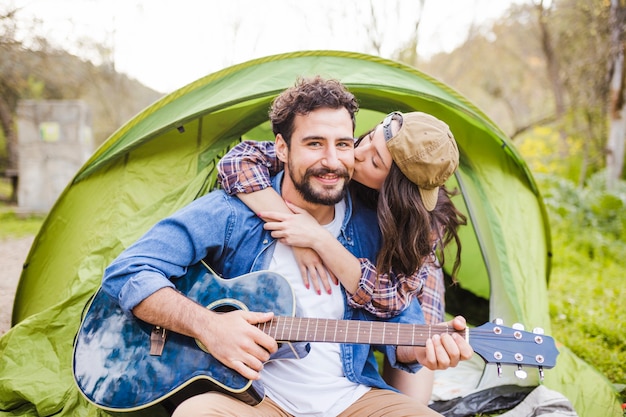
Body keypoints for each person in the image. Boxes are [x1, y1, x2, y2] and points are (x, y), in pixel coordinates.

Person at [102, 75, 472, 417]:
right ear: (281, 146)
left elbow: (401, 322)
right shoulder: (234, 212)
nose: (333, 160)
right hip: (258, 399)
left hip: (352, 399)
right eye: (314, 143)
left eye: (343, 144)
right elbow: (128, 272)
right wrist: (209, 326)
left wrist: (425, 348)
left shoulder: (378, 225)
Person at [217, 111, 467, 404]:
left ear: (395, 188)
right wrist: (294, 231)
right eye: (368, 138)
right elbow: (239, 161)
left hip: (407, 278)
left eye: (375, 162)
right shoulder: (336, 159)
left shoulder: (420, 231)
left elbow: (391, 299)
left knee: (418, 352)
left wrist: (321, 241)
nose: (358, 153)